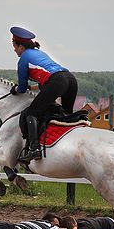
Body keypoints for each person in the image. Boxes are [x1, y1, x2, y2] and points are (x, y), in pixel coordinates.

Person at [9, 26, 78, 162]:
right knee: (66, 116)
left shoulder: (23, 59)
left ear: (21, 47)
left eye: (14, 46)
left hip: (57, 81)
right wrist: (31, 87)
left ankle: (34, 149)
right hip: (70, 79)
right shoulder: (40, 54)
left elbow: (22, 89)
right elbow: (44, 83)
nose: (14, 49)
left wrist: (15, 89)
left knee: (31, 113)